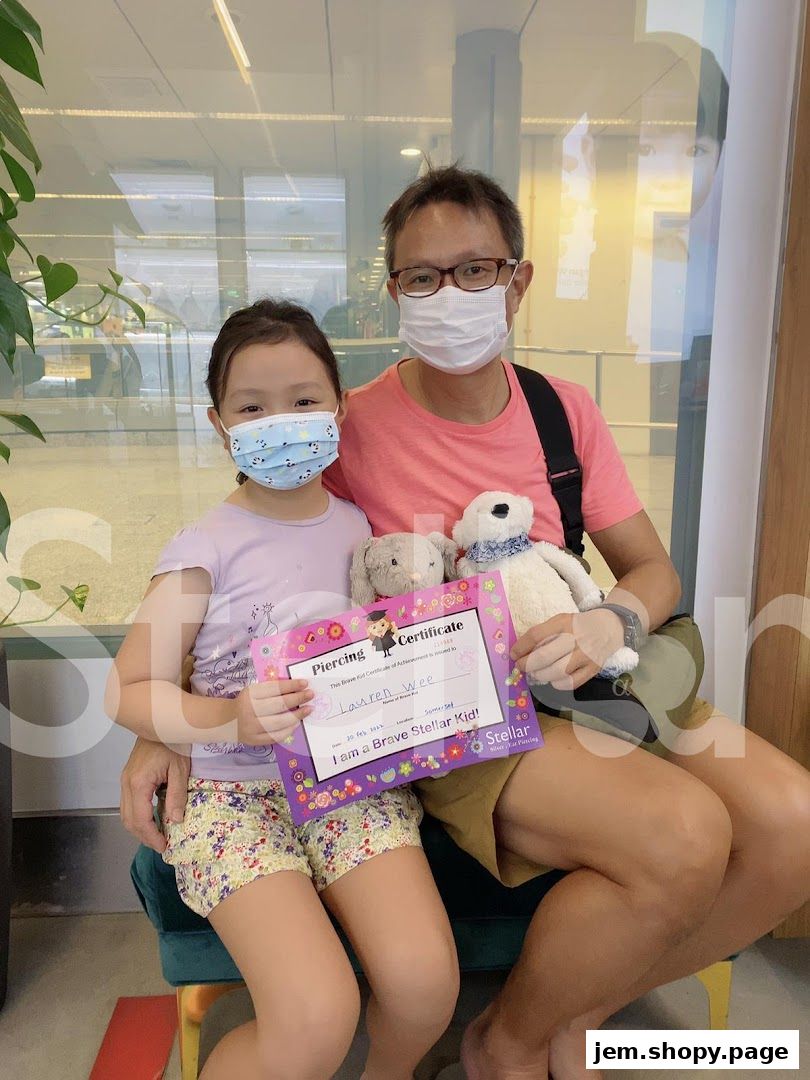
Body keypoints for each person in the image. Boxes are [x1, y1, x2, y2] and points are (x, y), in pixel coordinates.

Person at [120, 169, 810, 1080]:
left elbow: (655, 568)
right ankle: (510, 1046)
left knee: (794, 823)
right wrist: (169, 724)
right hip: (455, 717)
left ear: (517, 281)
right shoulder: (344, 423)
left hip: (594, 681)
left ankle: (578, 1017)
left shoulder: (564, 411)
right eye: (422, 276)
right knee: (682, 837)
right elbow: (250, 548)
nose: (450, 296)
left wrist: (613, 616)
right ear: (395, 290)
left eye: (475, 270)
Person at [105, 299, 458, 1080]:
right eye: (253, 407)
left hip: (349, 785)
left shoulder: (363, 529)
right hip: (233, 799)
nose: (284, 421)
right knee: (313, 1015)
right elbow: (129, 688)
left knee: (425, 984)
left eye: (304, 400)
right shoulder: (204, 549)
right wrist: (226, 719)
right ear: (219, 423)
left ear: (339, 404)